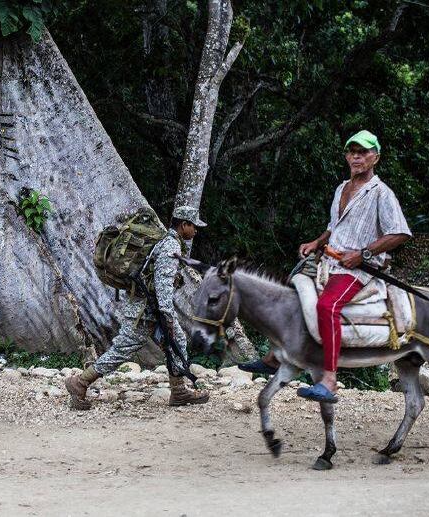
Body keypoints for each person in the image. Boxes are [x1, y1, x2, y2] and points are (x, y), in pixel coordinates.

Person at [244, 130, 411, 403]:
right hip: (329, 261)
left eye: (363, 152)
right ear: (346, 156)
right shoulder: (341, 188)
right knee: (291, 293)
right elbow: (334, 227)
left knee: (327, 307)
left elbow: (400, 233)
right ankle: (274, 357)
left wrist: (363, 254)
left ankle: (330, 380)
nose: (356, 157)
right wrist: (316, 242)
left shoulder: (381, 193)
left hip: (357, 269)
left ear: (376, 157)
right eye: (352, 151)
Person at [66, 205, 211, 409]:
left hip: (148, 308)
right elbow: (162, 283)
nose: (195, 230)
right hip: (145, 312)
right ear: (184, 224)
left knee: (176, 342)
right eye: (194, 226)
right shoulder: (170, 245)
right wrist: (167, 316)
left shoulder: (165, 241)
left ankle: (179, 391)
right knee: (123, 349)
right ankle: (80, 383)